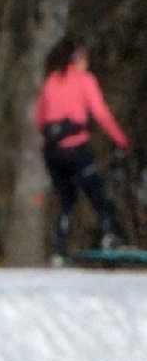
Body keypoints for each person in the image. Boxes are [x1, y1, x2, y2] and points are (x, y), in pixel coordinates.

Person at [33, 40, 130, 257]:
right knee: (97, 193)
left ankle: (59, 245)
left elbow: (39, 120)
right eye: (84, 58)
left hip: (52, 152)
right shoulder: (85, 81)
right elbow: (101, 114)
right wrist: (120, 139)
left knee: (67, 199)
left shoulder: (51, 81)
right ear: (76, 59)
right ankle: (108, 237)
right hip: (75, 149)